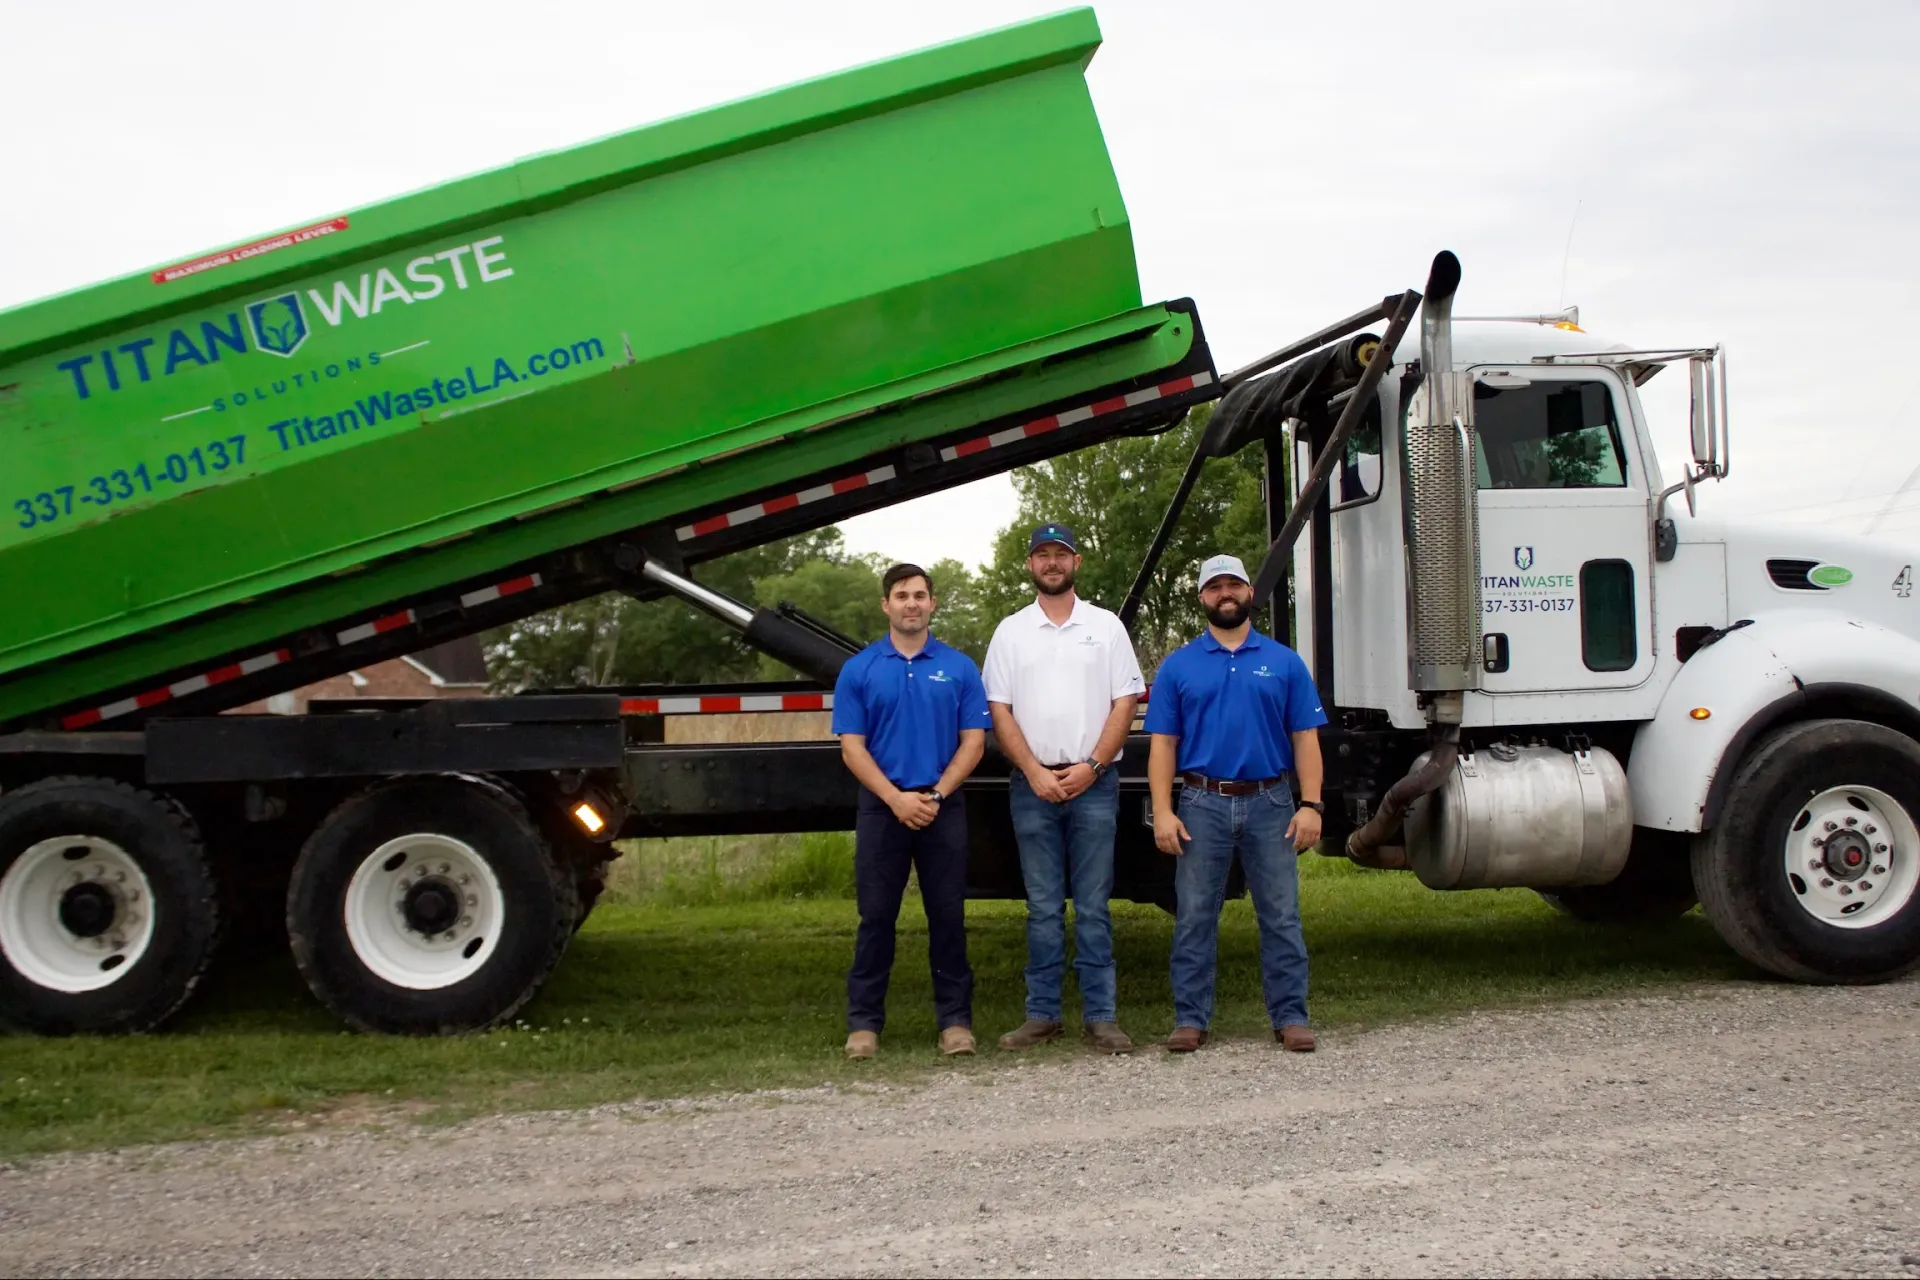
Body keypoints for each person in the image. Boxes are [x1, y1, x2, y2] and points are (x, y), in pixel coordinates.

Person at [1144, 553, 1327, 1054]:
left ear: (1249, 593)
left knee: (1281, 915)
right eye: (1215, 587)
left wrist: (1310, 804)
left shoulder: (1284, 662)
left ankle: (1290, 1016)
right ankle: (1190, 1018)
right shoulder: (1179, 666)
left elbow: (1305, 737)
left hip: (1271, 801)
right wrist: (1164, 810)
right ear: (1202, 597)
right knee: (1195, 914)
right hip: (1201, 801)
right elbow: (1163, 745)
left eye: (1234, 585)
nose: (1225, 594)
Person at [984, 523, 1144, 1055]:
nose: (1052, 563)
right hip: (1033, 785)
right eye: (1042, 555)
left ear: (1076, 563)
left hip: (1093, 783)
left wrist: (1094, 766)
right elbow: (998, 710)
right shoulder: (1011, 632)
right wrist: (1032, 770)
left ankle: (1102, 1017)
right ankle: (1042, 1015)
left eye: (1061, 555)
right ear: (1030, 565)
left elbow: (1126, 701)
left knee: (1095, 905)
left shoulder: (1105, 627)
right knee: (1044, 906)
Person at [832, 562, 990, 1061]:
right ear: (886, 605)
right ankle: (864, 1026)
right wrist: (896, 799)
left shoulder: (960, 667)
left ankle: (955, 1023)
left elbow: (974, 743)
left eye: (920, 595)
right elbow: (852, 749)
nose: (912, 603)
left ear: (933, 603)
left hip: (942, 805)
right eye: (902, 595)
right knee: (876, 918)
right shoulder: (860, 669)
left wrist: (937, 796)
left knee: (947, 916)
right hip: (884, 809)